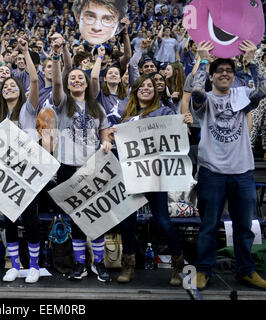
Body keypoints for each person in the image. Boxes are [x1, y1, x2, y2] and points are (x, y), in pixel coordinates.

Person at [191, 40, 266, 290]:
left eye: (229, 71)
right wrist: (203, 59)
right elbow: (197, 93)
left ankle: (246, 270)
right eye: (219, 71)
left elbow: (262, 91)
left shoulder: (242, 94)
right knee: (208, 225)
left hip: (242, 171)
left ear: (234, 76)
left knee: (244, 226)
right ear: (211, 77)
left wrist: (252, 61)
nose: (225, 73)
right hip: (212, 172)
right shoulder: (205, 99)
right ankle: (203, 269)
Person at [113, 74, 192, 285]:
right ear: (135, 90)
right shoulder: (126, 115)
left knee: (163, 221)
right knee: (127, 222)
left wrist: (184, 121)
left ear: (155, 91)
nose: (146, 88)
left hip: (155, 176)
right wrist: (112, 136)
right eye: (142, 86)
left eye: (150, 85)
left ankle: (178, 265)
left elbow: (178, 131)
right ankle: (128, 265)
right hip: (131, 176)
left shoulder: (164, 111)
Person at [50, 34, 114, 283]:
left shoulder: (97, 107)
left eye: (80, 78)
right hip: (68, 168)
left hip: (93, 167)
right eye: (72, 78)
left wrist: (108, 141)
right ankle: (79, 264)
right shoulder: (62, 102)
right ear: (68, 85)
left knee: (95, 217)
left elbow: (105, 133)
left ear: (87, 84)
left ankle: (98, 263)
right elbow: (56, 82)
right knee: (76, 217)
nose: (76, 80)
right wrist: (57, 55)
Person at [0, 37, 41, 283]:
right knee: (8, 220)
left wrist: (26, 52)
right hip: (5, 174)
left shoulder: (29, 109)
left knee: (30, 220)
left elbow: (36, 79)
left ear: (21, 90)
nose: (8, 87)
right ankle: (15, 265)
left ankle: (35, 266)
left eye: (13, 85)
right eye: (5, 86)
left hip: (28, 173)